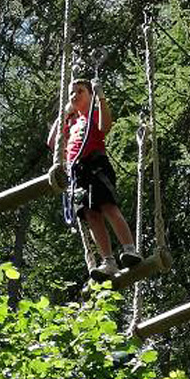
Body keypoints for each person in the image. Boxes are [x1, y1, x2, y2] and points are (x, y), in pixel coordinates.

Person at [47, 79, 141, 281]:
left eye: (80, 91)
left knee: (108, 207)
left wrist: (101, 98)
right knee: (91, 216)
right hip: (77, 172)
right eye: (72, 93)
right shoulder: (71, 124)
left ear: (89, 96)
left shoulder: (94, 114)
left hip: (96, 165)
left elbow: (105, 126)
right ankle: (108, 261)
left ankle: (129, 249)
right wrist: (63, 114)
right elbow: (52, 142)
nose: (75, 96)